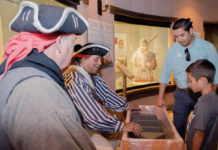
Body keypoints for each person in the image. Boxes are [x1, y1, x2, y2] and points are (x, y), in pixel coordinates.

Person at [0, 1, 95, 150]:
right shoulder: (38, 92)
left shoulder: (20, 73)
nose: (73, 53)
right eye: (72, 43)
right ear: (59, 44)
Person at [64, 43, 143, 149]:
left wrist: (126, 106)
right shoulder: (76, 79)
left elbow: (106, 94)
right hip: (74, 130)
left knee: (122, 136)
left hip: (86, 124)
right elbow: (92, 114)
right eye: (96, 59)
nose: (100, 63)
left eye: (100, 59)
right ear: (83, 59)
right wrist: (122, 126)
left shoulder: (90, 74)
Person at [157, 18, 218, 140]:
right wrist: (160, 98)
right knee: (177, 128)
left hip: (203, 95)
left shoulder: (208, 47)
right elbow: (165, 74)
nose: (179, 39)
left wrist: (211, 98)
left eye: (182, 35)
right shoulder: (173, 49)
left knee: (201, 130)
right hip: (182, 94)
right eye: (176, 36)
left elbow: (216, 76)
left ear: (190, 30)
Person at [186, 59, 218, 150]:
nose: (189, 84)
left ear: (203, 80)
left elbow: (199, 134)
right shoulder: (214, 97)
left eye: (190, 81)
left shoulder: (203, 104)